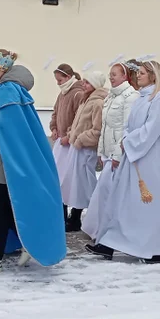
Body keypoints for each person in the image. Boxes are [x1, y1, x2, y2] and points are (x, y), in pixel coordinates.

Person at [0, 49, 66, 275]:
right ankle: (29, 243)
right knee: (4, 208)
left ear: (0, 69)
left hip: (4, 162)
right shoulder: (6, 90)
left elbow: (5, 130)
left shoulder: (6, 91)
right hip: (1, 159)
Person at [87, 60, 160, 264]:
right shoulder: (142, 98)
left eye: (143, 73)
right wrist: (126, 138)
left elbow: (153, 128)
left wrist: (131, 140)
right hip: (135, 155)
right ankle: (110, 243)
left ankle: (158, 249)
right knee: (124, 201)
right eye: (139, 73)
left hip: (153, 159)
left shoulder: (159, 99)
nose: (139, 76)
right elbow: (130, 124)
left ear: (153, 76)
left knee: (148, 205)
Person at [82, 59, 138, 244]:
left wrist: (117, 154)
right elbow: (105, 126)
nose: (111, 78)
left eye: (114, 75)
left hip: (117, 154)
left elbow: (126, 127)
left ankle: (109, 234)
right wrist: (101, 150)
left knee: (110, 194)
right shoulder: (111, 96)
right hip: (107, 152)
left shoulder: (130, 97)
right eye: (110, 75)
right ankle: (99, 229)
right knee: (104, 192)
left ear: (125, 76)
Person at [63, 71, 108, 232]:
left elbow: (98, 130)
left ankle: (85, 215)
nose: (83, 84)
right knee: (75, 183)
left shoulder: (97, 103)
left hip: (86, 149)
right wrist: (71, 134)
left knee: (84, 184)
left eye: (87, 82)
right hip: (77, 147)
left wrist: (81, 139)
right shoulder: (85, 100)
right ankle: (74, 216)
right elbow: (78, 123)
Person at [49, 63, 87, 226]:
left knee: (70, 181)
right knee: (57, 179)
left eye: (59, 80)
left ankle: (74, 216)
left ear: (67, 77)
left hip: (71, 143)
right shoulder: (62, 93)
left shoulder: (77, 93)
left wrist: (70, 134)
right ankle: (61, 216)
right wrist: (54, 127)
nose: (58, 83)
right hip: (61, 142)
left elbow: (80, 118)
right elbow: (55, 112)